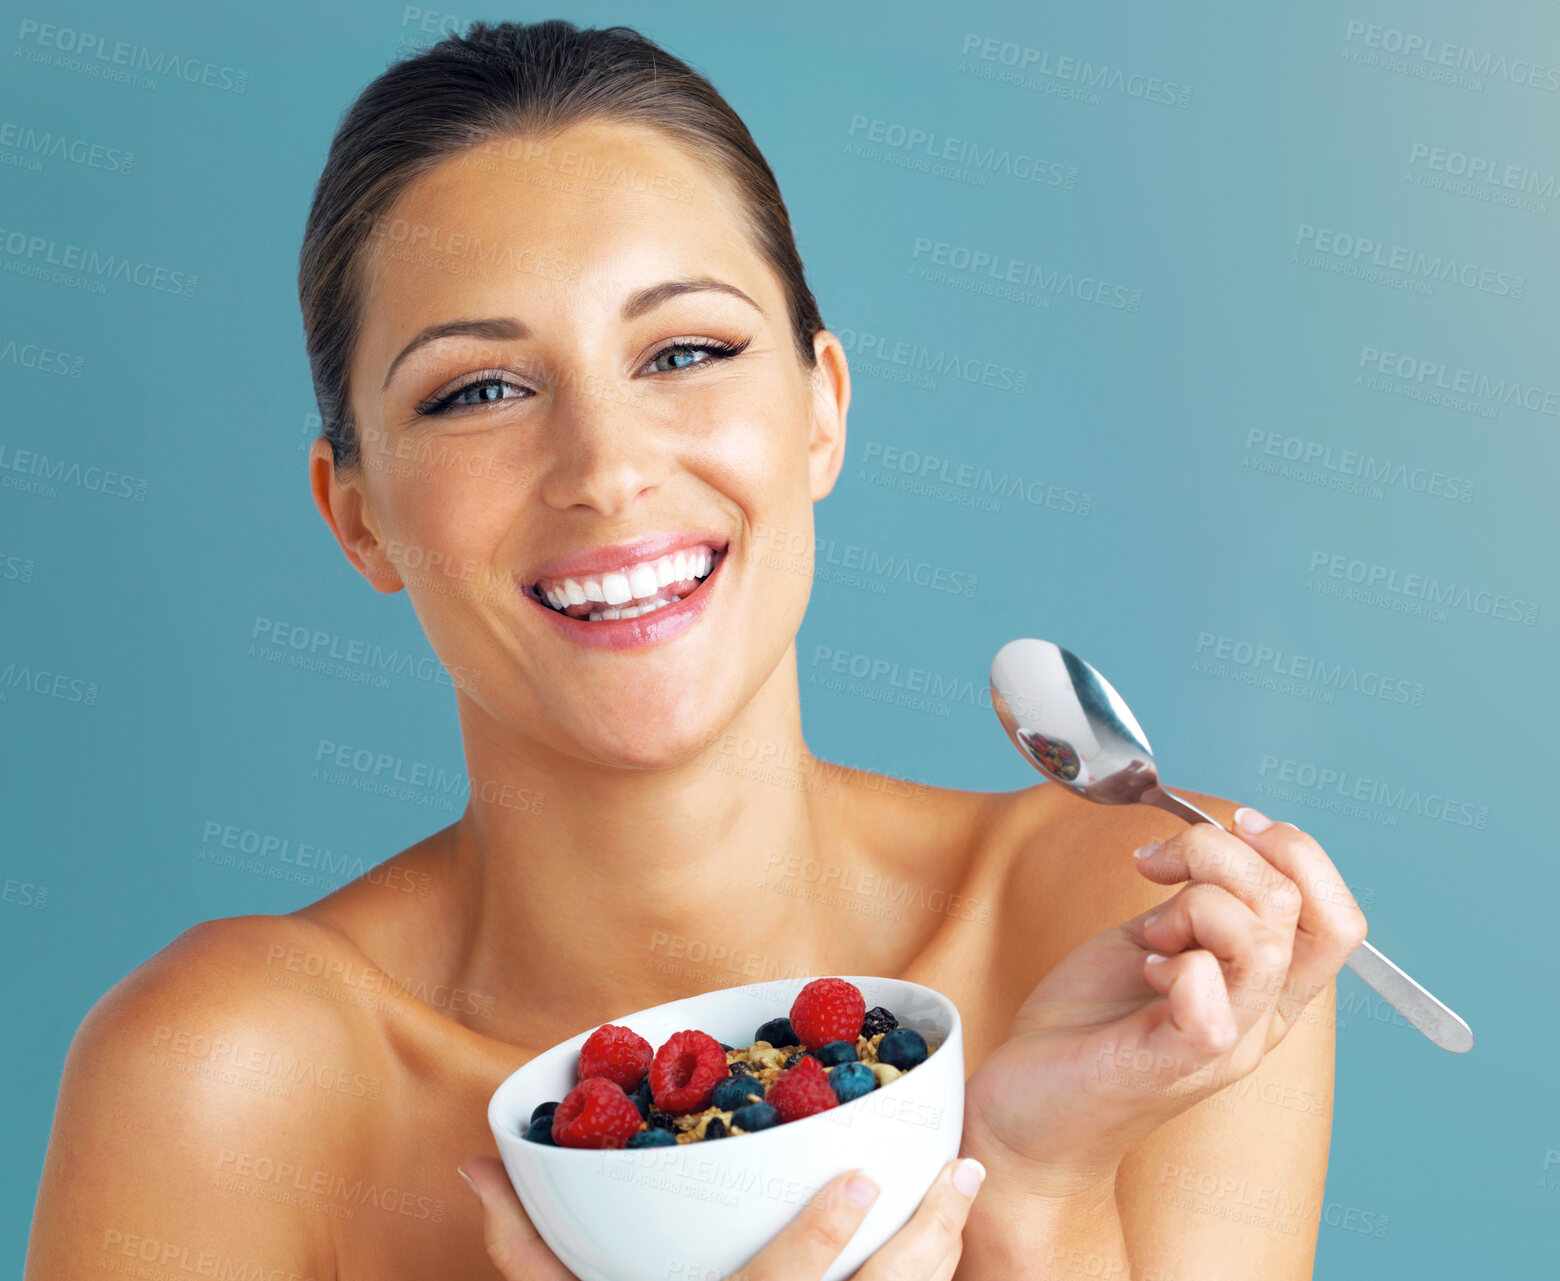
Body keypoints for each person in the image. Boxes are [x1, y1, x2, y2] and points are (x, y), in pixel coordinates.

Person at [25, 20, 1366, 1280]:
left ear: (820, 410)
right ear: (359, 515)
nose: (606, 470)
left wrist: (1034, 1181)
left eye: (685, 349)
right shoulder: (221, 1079)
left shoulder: (1140, 941)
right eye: (481, 390)